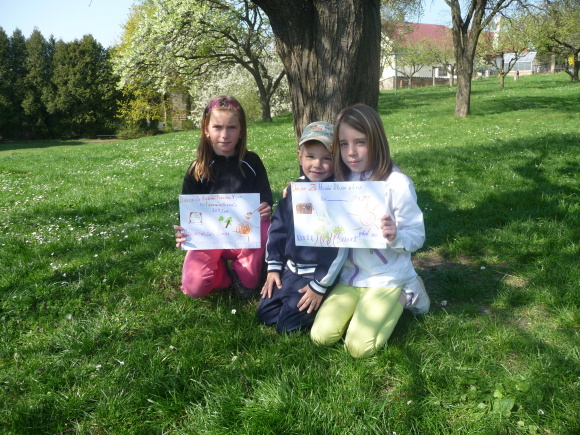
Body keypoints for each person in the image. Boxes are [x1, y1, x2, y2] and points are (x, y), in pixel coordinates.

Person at [310, 104, 430, 358]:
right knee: (320, 337)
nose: (351, 152)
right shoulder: (340, 181)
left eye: (360, 142)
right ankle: (364, 306)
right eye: (343, 144)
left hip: (387, 277)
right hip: (350, 276)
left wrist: (396, 235)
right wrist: (295, 195)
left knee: (358, 349)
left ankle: (409, 294)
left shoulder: (396, 183)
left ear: (377, 141)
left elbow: (417, 235)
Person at [174, 95, 273, 299]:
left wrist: (266, 207)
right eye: (217, 127)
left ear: (241, 130)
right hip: (210, 238)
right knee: (194, 287)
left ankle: (244, 275)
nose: (225, 135)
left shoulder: (252, 162)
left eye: (232, 127)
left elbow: (266, 199)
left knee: (266, 226)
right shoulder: (197, 169)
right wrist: (184, 231)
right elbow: (188, 214)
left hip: (244, 236)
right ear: (206, 129)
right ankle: (223, 277)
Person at [258, 122, 347, 333]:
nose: (317, 164)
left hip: (317, 274)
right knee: (265, 315)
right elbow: (278, 228)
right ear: (300, 157)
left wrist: (320, 285)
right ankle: (292, 302)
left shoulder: (339, 195)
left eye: (327, 159)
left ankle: (327, 301)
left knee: (287, 327)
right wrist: (273, 268)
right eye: (310, 156)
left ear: (336, 160)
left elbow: (341, 246)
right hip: (290, 270)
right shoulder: (295, 191)